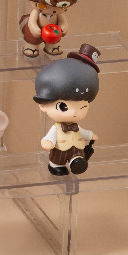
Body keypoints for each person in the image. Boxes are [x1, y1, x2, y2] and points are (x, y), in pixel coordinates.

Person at [33, 44, 101, 175]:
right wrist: (48, 141)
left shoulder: (76, 126)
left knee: (78, 155)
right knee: (57, 159)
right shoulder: (57, 128)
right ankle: (56, 166)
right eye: (63, 107)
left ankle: (76, 162)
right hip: (60, 150)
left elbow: (82, 132)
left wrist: (90, 135)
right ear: (43, 105)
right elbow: (50, 136)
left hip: (76, 149)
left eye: (82, 106)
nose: (74, 112)